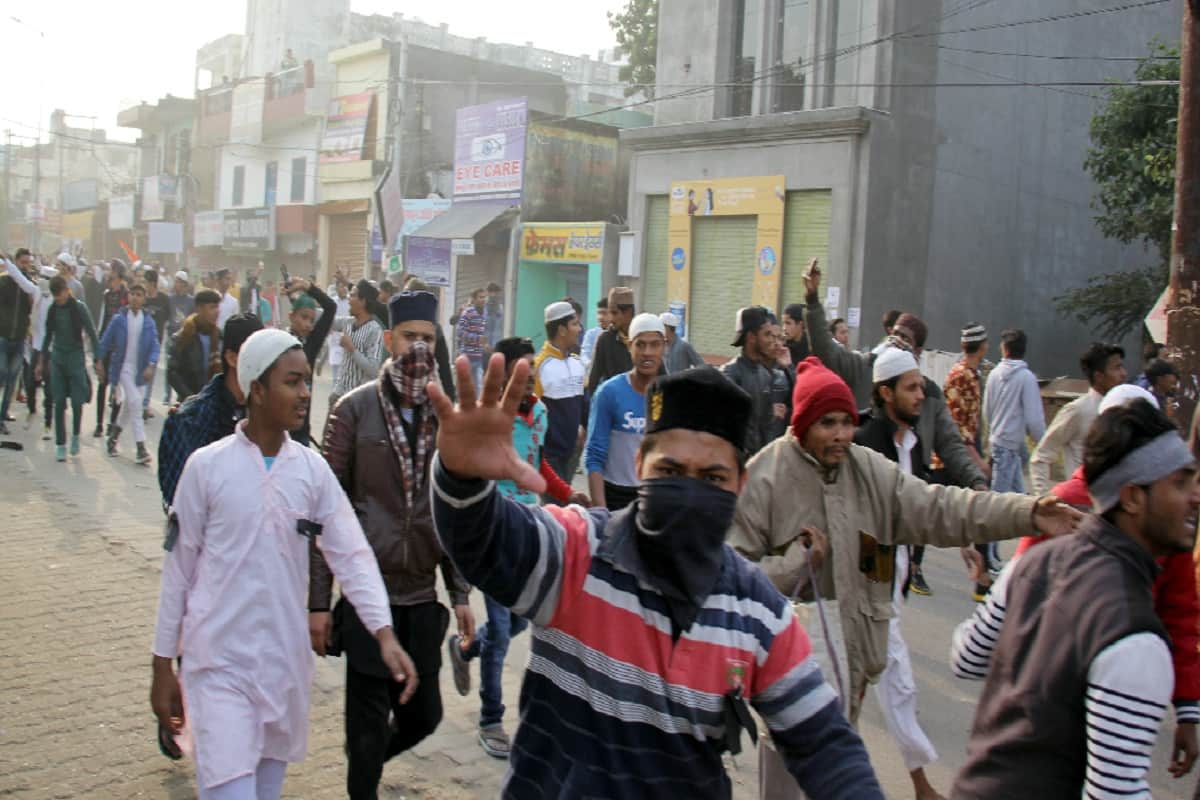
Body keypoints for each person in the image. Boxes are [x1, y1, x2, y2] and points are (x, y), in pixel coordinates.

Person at [427, 359, 886, 799]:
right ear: (640, 465)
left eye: (712, 477)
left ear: (740, 485)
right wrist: (461, 478)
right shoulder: (579, 551)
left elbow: (824, 742)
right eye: (670, 472)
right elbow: (487, 542)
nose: (689, 491)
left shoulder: (758, 612)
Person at [728, 357, 1081, 727]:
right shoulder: (765, 478)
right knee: (795, 763)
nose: (841, 434)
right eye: (827, 423)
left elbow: (942, 508)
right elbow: (733, 575)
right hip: (786, 679)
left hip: (855, 669)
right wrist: (794, 565)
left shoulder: (868, 471)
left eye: (847, 422)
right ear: (802, 425)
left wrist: (1028, 513)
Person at [150, 328, 413, 800]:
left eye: (307, 380)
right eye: (292, 382)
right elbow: (179, 571)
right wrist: (162, 665)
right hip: (217, 665)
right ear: (257, 389)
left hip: (283, 669)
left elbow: (351, 553)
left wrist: (383, 631)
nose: (305, 393)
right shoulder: (206, 468)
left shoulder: (311, 470)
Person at [949, 399, 1198, 798]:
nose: (1196, 495)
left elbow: (968, 655)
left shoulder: (1034, 563)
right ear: (1132, 497)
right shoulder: (1134, 635)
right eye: (1180, 483)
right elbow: (1113, 792)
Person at [313, 290, 475, 800]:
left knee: (424, 715)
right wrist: (318, 602)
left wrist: (460, 593)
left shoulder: (445, 416)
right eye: (409, 337)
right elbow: (325, 514)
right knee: (365, 725)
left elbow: (454, 509)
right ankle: (363, 773)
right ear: (388, 340)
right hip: (368, 595)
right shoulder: (353, 411)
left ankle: (367, 760)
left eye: (427, 338)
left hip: (421, 596)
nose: (418, 349)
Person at [446, 337, 584, 760]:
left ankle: (466, 648)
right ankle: (491, 718)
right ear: (502, 375)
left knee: (521, 623)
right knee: (503, 630)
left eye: (530, 371)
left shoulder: (540, 413)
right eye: (518, 372)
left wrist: (567, 494)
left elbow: (536, 462)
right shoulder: (488, 418)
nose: (527, 380)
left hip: (531, 530)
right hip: (494, 530)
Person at [851, 348, 945, 800]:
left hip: (898, 571)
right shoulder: (866, 441)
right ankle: (921, 784)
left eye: (920, 386)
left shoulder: (914, 442)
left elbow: (920, 506)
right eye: (911, 387)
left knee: (860, 682)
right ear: (885, 392)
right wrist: (876, 581)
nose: (920, 394)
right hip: (872, 574)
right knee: (897, 678)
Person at [158, 315, 264, 510]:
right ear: (232, 358)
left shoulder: (268, 417)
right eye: (259, 357)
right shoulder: (190, 420)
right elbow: (179, 502)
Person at [932, 322, 993, 599]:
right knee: (930, 513)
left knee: (976, 515)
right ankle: (913, 567)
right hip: (950, 458)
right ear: (983, 347)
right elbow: (957, 425)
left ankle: (983, 580)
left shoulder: (972, 374)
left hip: (959, 453)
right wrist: (976, 459)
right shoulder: (961, 375)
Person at [584, 312, 664, 511]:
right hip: (615, 496)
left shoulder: (670, 395)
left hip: (654, 496)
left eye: (655, 345)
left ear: (664, 347)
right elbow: (594, 456)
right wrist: (601, 512)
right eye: (640, 344)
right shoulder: (609, 393)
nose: (647, 352)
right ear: (630, 346)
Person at [1029, 342, 1126, 496]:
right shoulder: (1078, 410)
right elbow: (1041, 456)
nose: (1123, 374)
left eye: (1122, 367)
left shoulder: (1122, 408)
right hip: (1082, 503)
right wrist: (1043, 499)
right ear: (1099, 376)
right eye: (1117, 368)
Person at [37, 276, 99, 461]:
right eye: (56, 296)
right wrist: (41, 362)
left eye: (61, 294)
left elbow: (92, 333)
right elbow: (47, 336)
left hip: (75, 358)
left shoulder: (79, 308)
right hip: (58, 358)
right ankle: (60, 444)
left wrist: (97, 359)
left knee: (77, 402)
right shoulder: (53, 309)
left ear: (66, 290)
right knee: (58, 401)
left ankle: (75, 436)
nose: (59, 298)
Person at [97, 284, 160, 465]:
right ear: (128, 296)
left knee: (128, 407)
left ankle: (112, 438)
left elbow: (155, 346)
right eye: (132, 294)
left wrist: (151, 365)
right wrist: (99, 360)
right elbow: (105, 341)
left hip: (140, 371)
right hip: (123, 367)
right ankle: (141, 447)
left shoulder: (148, 322)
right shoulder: (119, 319)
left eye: (139, 295)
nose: (135, 297)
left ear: (144, 299)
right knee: (136, 403)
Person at [983, 328, 1046, 496]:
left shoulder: (994, 374)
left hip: (999, 441)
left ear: (1005, 349)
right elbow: (1034, 419)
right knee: (1001, 499)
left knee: (1014, 495)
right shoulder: (1027, 378)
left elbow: (987, 411)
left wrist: (995, 430)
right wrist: (1043, 443)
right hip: (1011, 444)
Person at [532, 301, 587, 483]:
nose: (579, 329)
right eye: (575, 324)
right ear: (562, 330)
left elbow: (584, 405)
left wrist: (584, 430)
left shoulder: (577, 363)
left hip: (572, 452)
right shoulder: (539, 366)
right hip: (548, 455)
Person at [720, 306, 783, 456]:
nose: (772, 340)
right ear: (751, 337)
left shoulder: (765, 375)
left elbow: (764, 425)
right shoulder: (730, 374)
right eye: (767, 334)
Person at [282, 278, 336, 447]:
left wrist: (308, 287)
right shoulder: (279, 342)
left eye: (312, 320)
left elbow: (331, 307)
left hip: (302, 431)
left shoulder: (311, 343)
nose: (308, 324)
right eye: (304, 317)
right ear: (291, 316)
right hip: (279, 428)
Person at [327, 279, 385, 420]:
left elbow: (374, 370)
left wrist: (351, 349)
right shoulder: (347, 322)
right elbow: (324, 318)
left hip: (358, 401)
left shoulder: (374, 330)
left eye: (352, 295)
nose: (348, 299)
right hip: (338, 395)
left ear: (363, 301)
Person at [0, 251, 38, 434]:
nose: (25, 266)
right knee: (2, 374)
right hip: (2, 337)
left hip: (19, 339)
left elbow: (33, 311)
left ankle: (2, 416)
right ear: (15, 262)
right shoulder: (3, 282)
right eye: (22, 262)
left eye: (28, 263)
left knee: (11, 381)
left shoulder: (30, 286)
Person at [167, 290, 222, 403]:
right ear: (199, 309)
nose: (217, 311)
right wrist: (190, 397)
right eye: (212, 307)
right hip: (189, 402)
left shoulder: (220, 337)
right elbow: (172, 373)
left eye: (217, 307)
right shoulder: (183, 337)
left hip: (214, 401)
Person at [586, 286, 636, 395]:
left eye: (614, 313)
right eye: (610, 313)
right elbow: (593, 380)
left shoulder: (643, 337)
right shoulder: (605, 339)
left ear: (628, 312)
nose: (611, 319)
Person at [141, 269, 173, 419]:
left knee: (150, 373)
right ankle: (139, 402)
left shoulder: (163, 300)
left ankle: (144, 405)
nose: (144, 285)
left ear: (153, 283)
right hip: (140, 341)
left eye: (146, 282)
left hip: (155, 343)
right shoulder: (141, 299)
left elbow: (168, 318)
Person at [163, 271, 195, 404]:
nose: (176, 284)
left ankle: (180, 394)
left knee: (182, 368)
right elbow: (166, 316)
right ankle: (167, 395)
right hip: (171, 337)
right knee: (169, 367)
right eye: (175, 281)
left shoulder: (191, 301)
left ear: (184, 284)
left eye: (179, 282)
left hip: (185, 338)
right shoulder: (169, 299)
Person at [455, 286, 489, 387]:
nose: (483, 300)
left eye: (485, 297)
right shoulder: (468, 312)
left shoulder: (485, 313)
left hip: (479, 356)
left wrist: (486, 344)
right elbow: (460, 332)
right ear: (474, 299)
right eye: (481, 297)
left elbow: (483, 333)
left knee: (478, 386)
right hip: (467, 356)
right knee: (464, 386)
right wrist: (477, 339)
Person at [579, 296, 609, 372]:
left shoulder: (619, 335)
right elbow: (584, 355)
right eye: (599, 313)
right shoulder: (591, 334)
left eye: (604, 313)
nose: (600, 317)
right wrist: (593, 366)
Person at [484, 281, 504, 348]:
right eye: (491, 292)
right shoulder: (482, 308)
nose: (493, 295)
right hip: (483, 347)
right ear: (487, 293)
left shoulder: (501, 308)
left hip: (497, 345)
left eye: (496, 292)